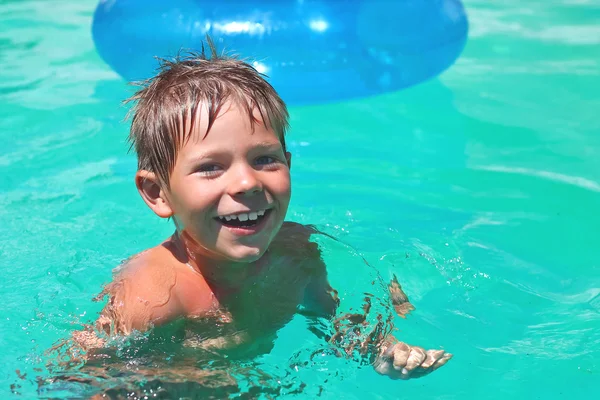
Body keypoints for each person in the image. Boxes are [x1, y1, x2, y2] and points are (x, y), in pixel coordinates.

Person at [73, 39, 452, 380]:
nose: (247, 183)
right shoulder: (154, 293)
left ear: (288, 164)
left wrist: (383, 348)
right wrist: (185, 377)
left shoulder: (299, 252)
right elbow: (88, 376)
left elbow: (342, 321)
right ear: (158, 193)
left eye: (265, 159)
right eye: (211, 167)